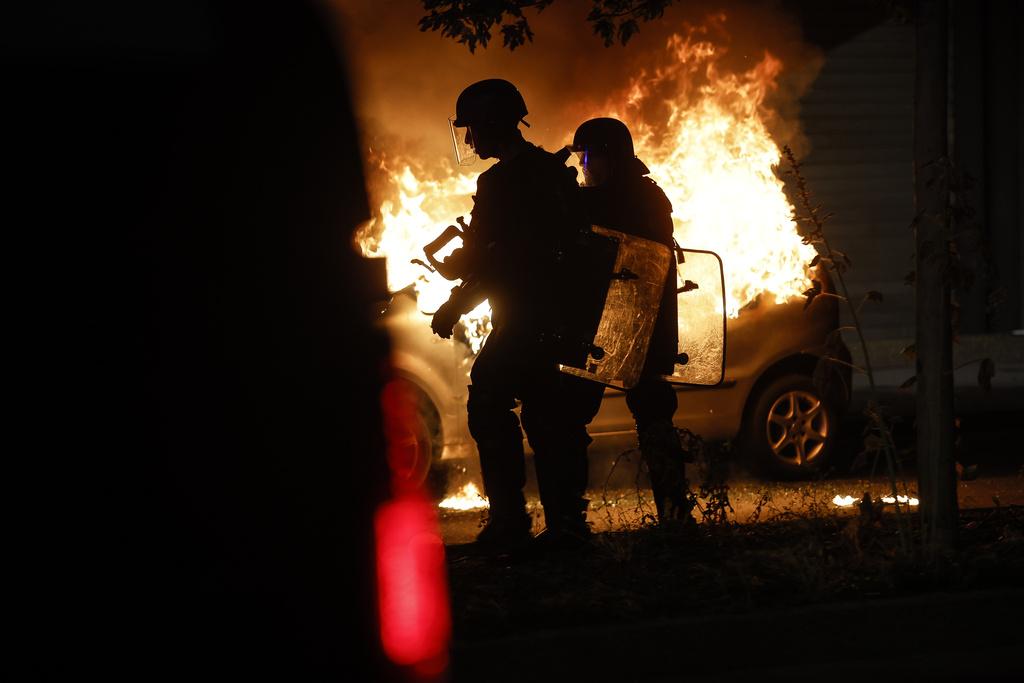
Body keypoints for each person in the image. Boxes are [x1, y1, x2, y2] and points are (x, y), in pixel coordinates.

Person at [431, 79, 601, 552]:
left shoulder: (500, 182)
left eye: (473, 129)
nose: (469, 140)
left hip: (527, 317)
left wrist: (454, 301)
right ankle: (566, 525)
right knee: (550, 418)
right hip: (562, 319)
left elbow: (496, 262)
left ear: (491, 124)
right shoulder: (553, 173)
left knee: (488, 402)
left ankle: (510, 521)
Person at [570, 117, 696, 524]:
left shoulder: (628, 199)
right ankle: (674, 515)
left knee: (577, 413)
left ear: (610, 157)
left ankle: (574, 520)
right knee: (644, 413)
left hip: (630, 324)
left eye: (588, 157)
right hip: (627, 323)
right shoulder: (646, 195)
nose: (585, 166)